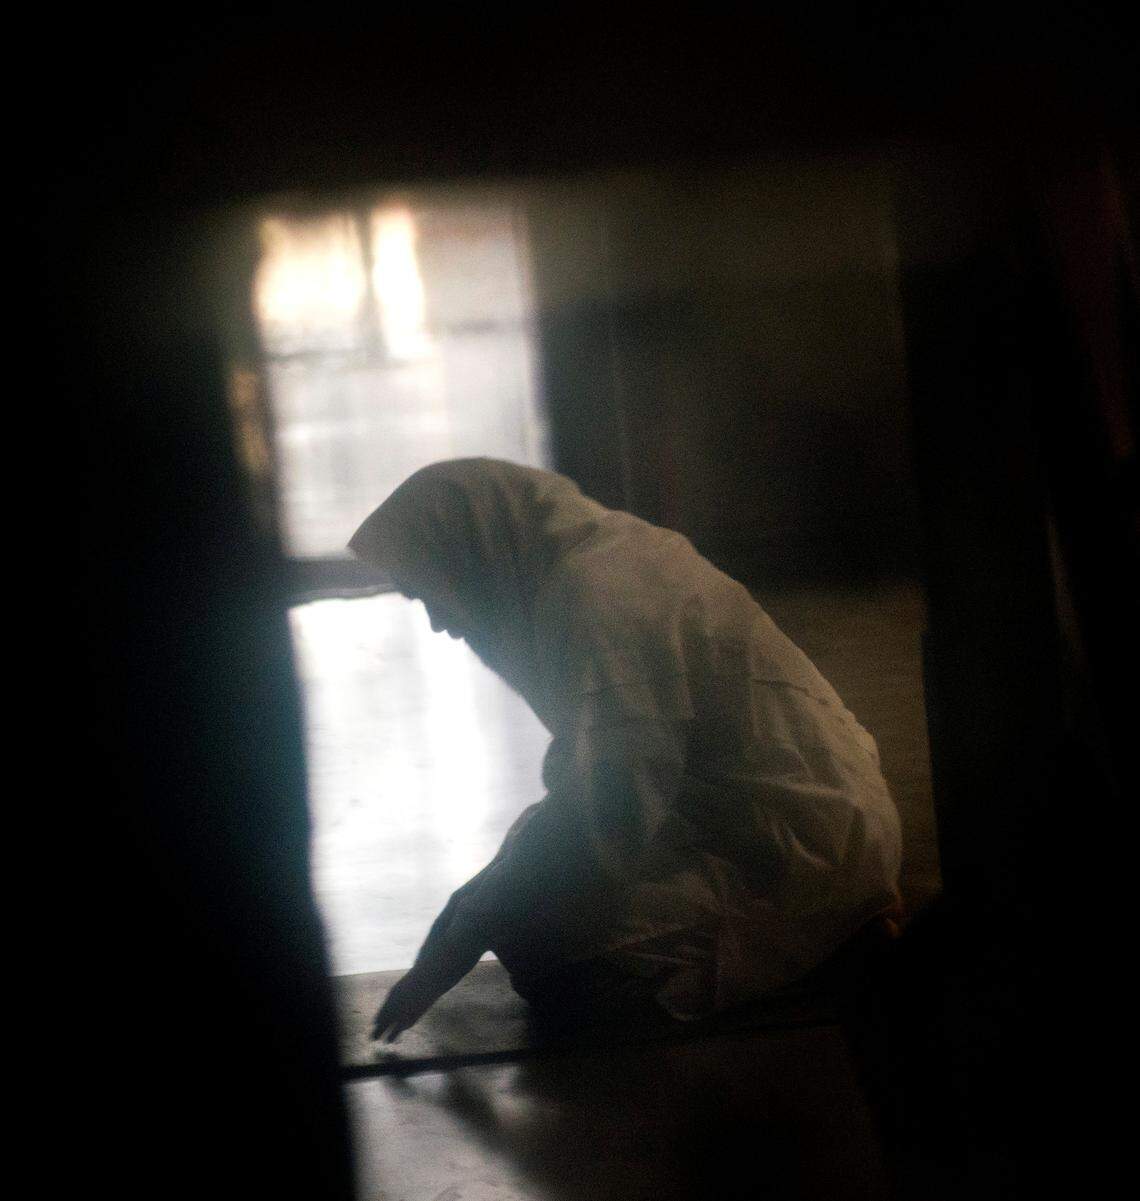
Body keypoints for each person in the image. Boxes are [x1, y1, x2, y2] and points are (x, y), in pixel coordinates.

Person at [349, 458, 903, 1041]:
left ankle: (834, 945)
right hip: (787, 822)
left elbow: (611, 816)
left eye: (428, 592)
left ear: (464, 553)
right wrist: (474, 911)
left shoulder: (592, 595)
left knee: (551, 953)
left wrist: (463, 931)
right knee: (521, 886)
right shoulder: (598, 563)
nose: (438, 621)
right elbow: (603, 788)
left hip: (804, 850)